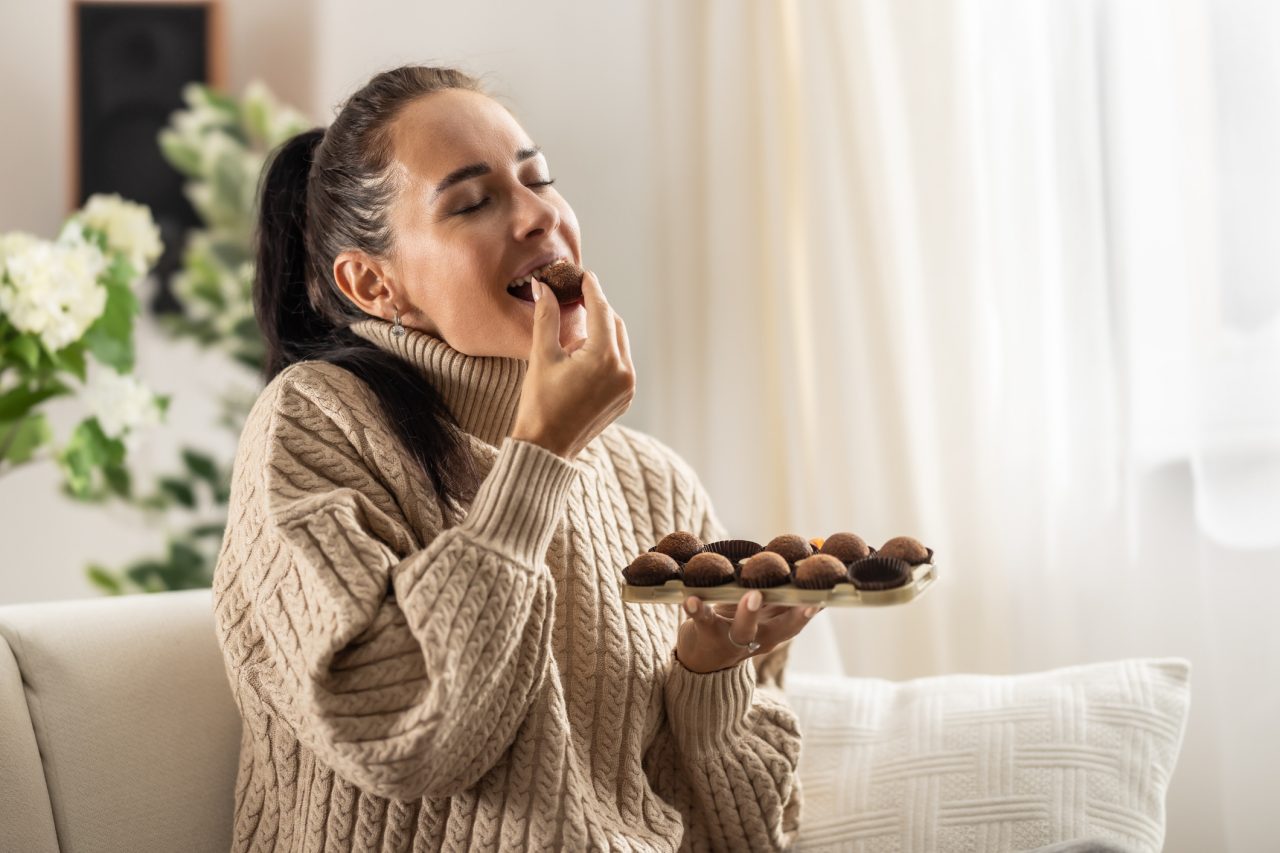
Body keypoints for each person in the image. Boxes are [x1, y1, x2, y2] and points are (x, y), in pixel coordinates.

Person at [212, 64, 822, 852]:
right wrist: (540, 455)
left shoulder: (653, 482)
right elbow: (402, 734)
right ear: (372, 282)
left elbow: (743, 830)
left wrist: (709, 675)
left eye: (540, 180)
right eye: (473, 201)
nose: (539, 217)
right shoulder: (316, 423)